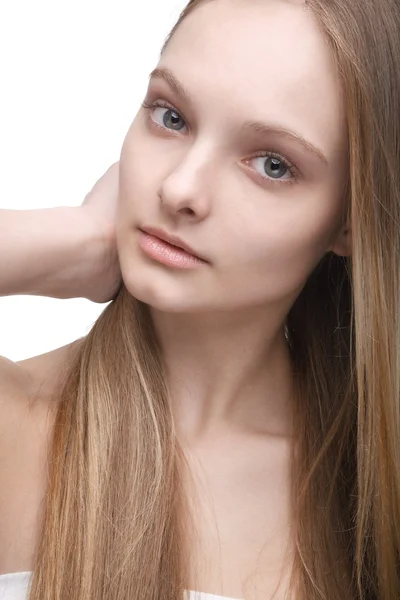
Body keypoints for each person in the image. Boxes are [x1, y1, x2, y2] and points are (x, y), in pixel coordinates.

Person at [0, 0, 399, 598]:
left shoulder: (372, 488)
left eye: (271, 164)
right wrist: (72, 243)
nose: (179, 187)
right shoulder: (14, 421)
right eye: (171, 116)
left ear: (350, 221)